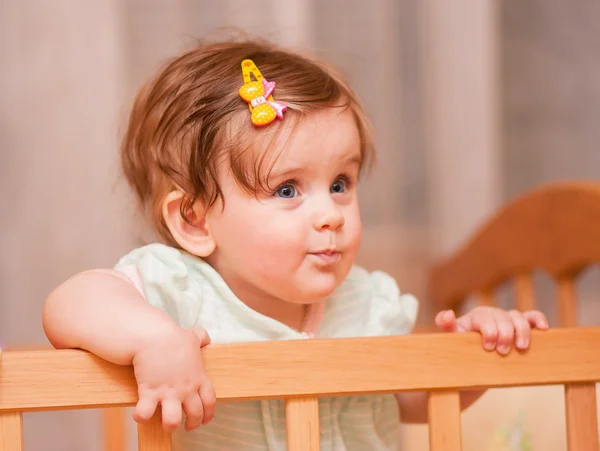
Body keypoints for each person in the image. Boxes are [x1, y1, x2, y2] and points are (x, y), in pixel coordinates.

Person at [42, 38, 548, 450]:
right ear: (194, 220)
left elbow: (417, 401)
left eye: (341, 184)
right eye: (287, 189)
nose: (330, 214)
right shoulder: (180, 292)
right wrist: (153, 339)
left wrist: (474, 352)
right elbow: (70, 305)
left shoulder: (366, 301)